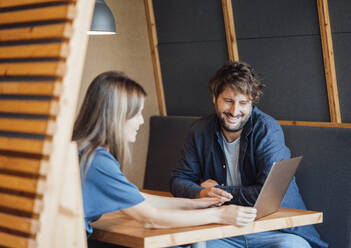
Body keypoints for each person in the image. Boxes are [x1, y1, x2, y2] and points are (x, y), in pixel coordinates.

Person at [72, 71, 257, 247]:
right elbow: (151, 217)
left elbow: (138, 198)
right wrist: (220, 214)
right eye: (136, 114)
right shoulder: (97, 161)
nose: (141, 121)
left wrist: (194, 204)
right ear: (117, 116)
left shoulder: (85, 151)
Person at [170, 61, 328, 248]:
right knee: (194, 245)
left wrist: (219, 191)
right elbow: (178, 180)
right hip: (223, 231)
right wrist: (202, 192)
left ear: (252, 102)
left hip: (273, 231)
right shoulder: (199, 131)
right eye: (228, 101)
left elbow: (266, 194)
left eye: (243, 103)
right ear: (214, 97)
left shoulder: (267, 130)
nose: (235, 111)